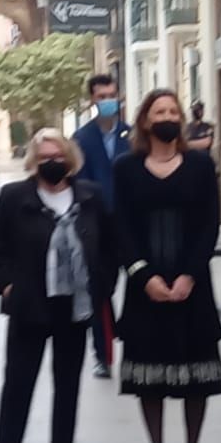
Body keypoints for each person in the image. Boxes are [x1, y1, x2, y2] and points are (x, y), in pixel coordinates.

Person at [0, 129, 116, 443]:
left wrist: (102, 287)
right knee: (18, 380)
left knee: (68, 381)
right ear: (33, 162)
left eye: (56, 157)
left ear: (68, 159)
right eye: (43, 158)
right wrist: (6, 285)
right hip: (30, 303)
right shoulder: (15, 196)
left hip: (75, 305)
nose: (51, 163)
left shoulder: (90, 196)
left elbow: (110, 244)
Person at [113, 89, 221, 443]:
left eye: (173, 111)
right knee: (150, 379)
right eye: (159, 111)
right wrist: (144, 277)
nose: (167, 116)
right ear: (144, 120)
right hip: (146, 288)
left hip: (191, 286)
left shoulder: (198, 164)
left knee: (196, 378)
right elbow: (121, 227)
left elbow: (209, 223)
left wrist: (189, 275)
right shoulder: (126, 168)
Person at [72, 74, 132, 379]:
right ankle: (103, 355)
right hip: (97, 229)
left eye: (112, 94)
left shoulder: (132, 136)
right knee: (100, 293)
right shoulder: (81, 139)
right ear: (93, 101)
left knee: (138, 288)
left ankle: (135, 347)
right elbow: (78, 185)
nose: (108, 100)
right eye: (102, 96)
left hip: (130, 225)